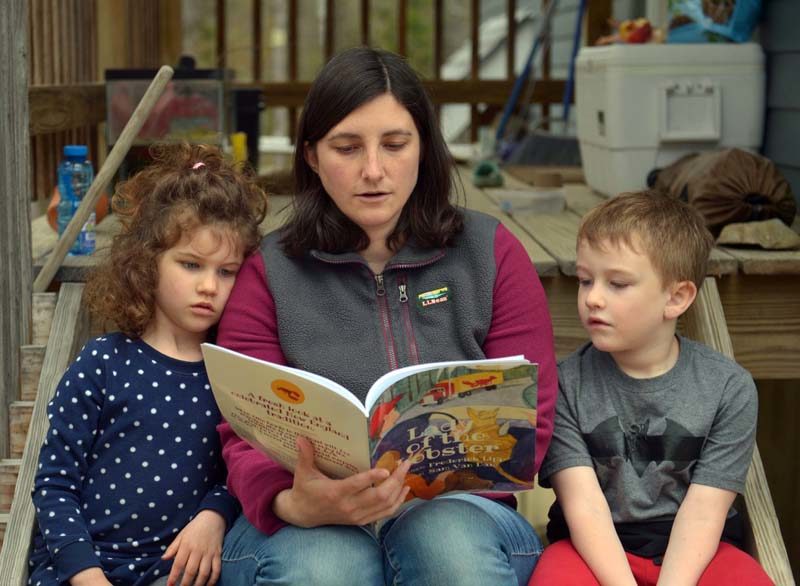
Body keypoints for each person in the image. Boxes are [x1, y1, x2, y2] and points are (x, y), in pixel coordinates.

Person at [215, 47, 558, 586]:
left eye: (395, 145)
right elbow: (240, 425)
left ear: (424, 146)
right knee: (327, 567)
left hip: (461, 513)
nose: (373, 171)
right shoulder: (271, 271)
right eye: (346, 148)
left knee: (444, 545)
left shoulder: (490, 253)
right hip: (301, 521)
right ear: (310, 155)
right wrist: (291, 501)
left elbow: (530, 414)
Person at [28, 144, 268, 586]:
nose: (209, 286)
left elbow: (238, 471)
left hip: (171, 573)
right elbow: (54, 484)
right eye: (191, 264)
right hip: (80, 572)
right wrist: (86, 575)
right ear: (146, 261)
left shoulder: (231, 375)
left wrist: (214, 515)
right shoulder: (103, 361)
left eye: (227, 271)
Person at [529, 191, 773, 585]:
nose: (593, 298)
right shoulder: (564, 384)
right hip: (592, 546)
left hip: (696, 547)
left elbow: (704, 512)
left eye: (618, 284)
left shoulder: (728, 389)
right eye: (585, 280)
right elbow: (584, 506)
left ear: (676, 297)